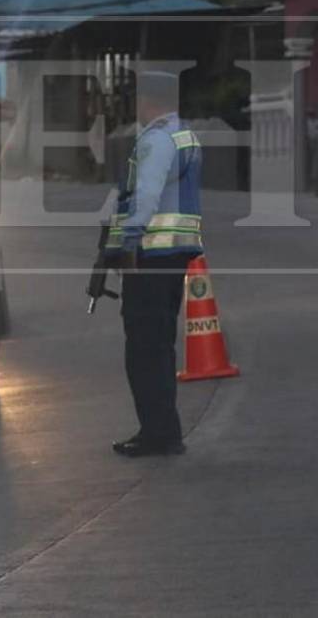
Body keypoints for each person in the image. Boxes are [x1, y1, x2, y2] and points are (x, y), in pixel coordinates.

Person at [103, 70, 204, 457]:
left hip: (150, 256)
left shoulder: (157, 139)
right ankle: (164, 430)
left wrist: (127, 241)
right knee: (159, 346)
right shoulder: (185, 135)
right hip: (173, 256)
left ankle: (157, 433)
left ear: (147, 102)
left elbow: (145, 196)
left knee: (144, 350)